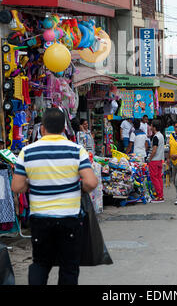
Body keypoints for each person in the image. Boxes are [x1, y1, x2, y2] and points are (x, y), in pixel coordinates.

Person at [11, 108, 98, 285]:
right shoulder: (76, 150)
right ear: (64, 129)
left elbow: (17, 186)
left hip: (40, 219)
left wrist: (34, 184)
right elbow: (91, 182)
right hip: (70, 218)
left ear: (42, 128)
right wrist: (75, 187)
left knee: (40, 264)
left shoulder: (27, 151)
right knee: (69, 266)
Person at [148, 120, 165, 203]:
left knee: (154, 178)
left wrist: (149, 159)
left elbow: (154, 150)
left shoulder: (156, 137)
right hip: (159, 160)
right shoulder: (161, 135)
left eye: (151, 126)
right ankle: (161, 195)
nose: (150, 127)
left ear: (154, 127)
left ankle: (159, 196)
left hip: (154, 160)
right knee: (159, 178)